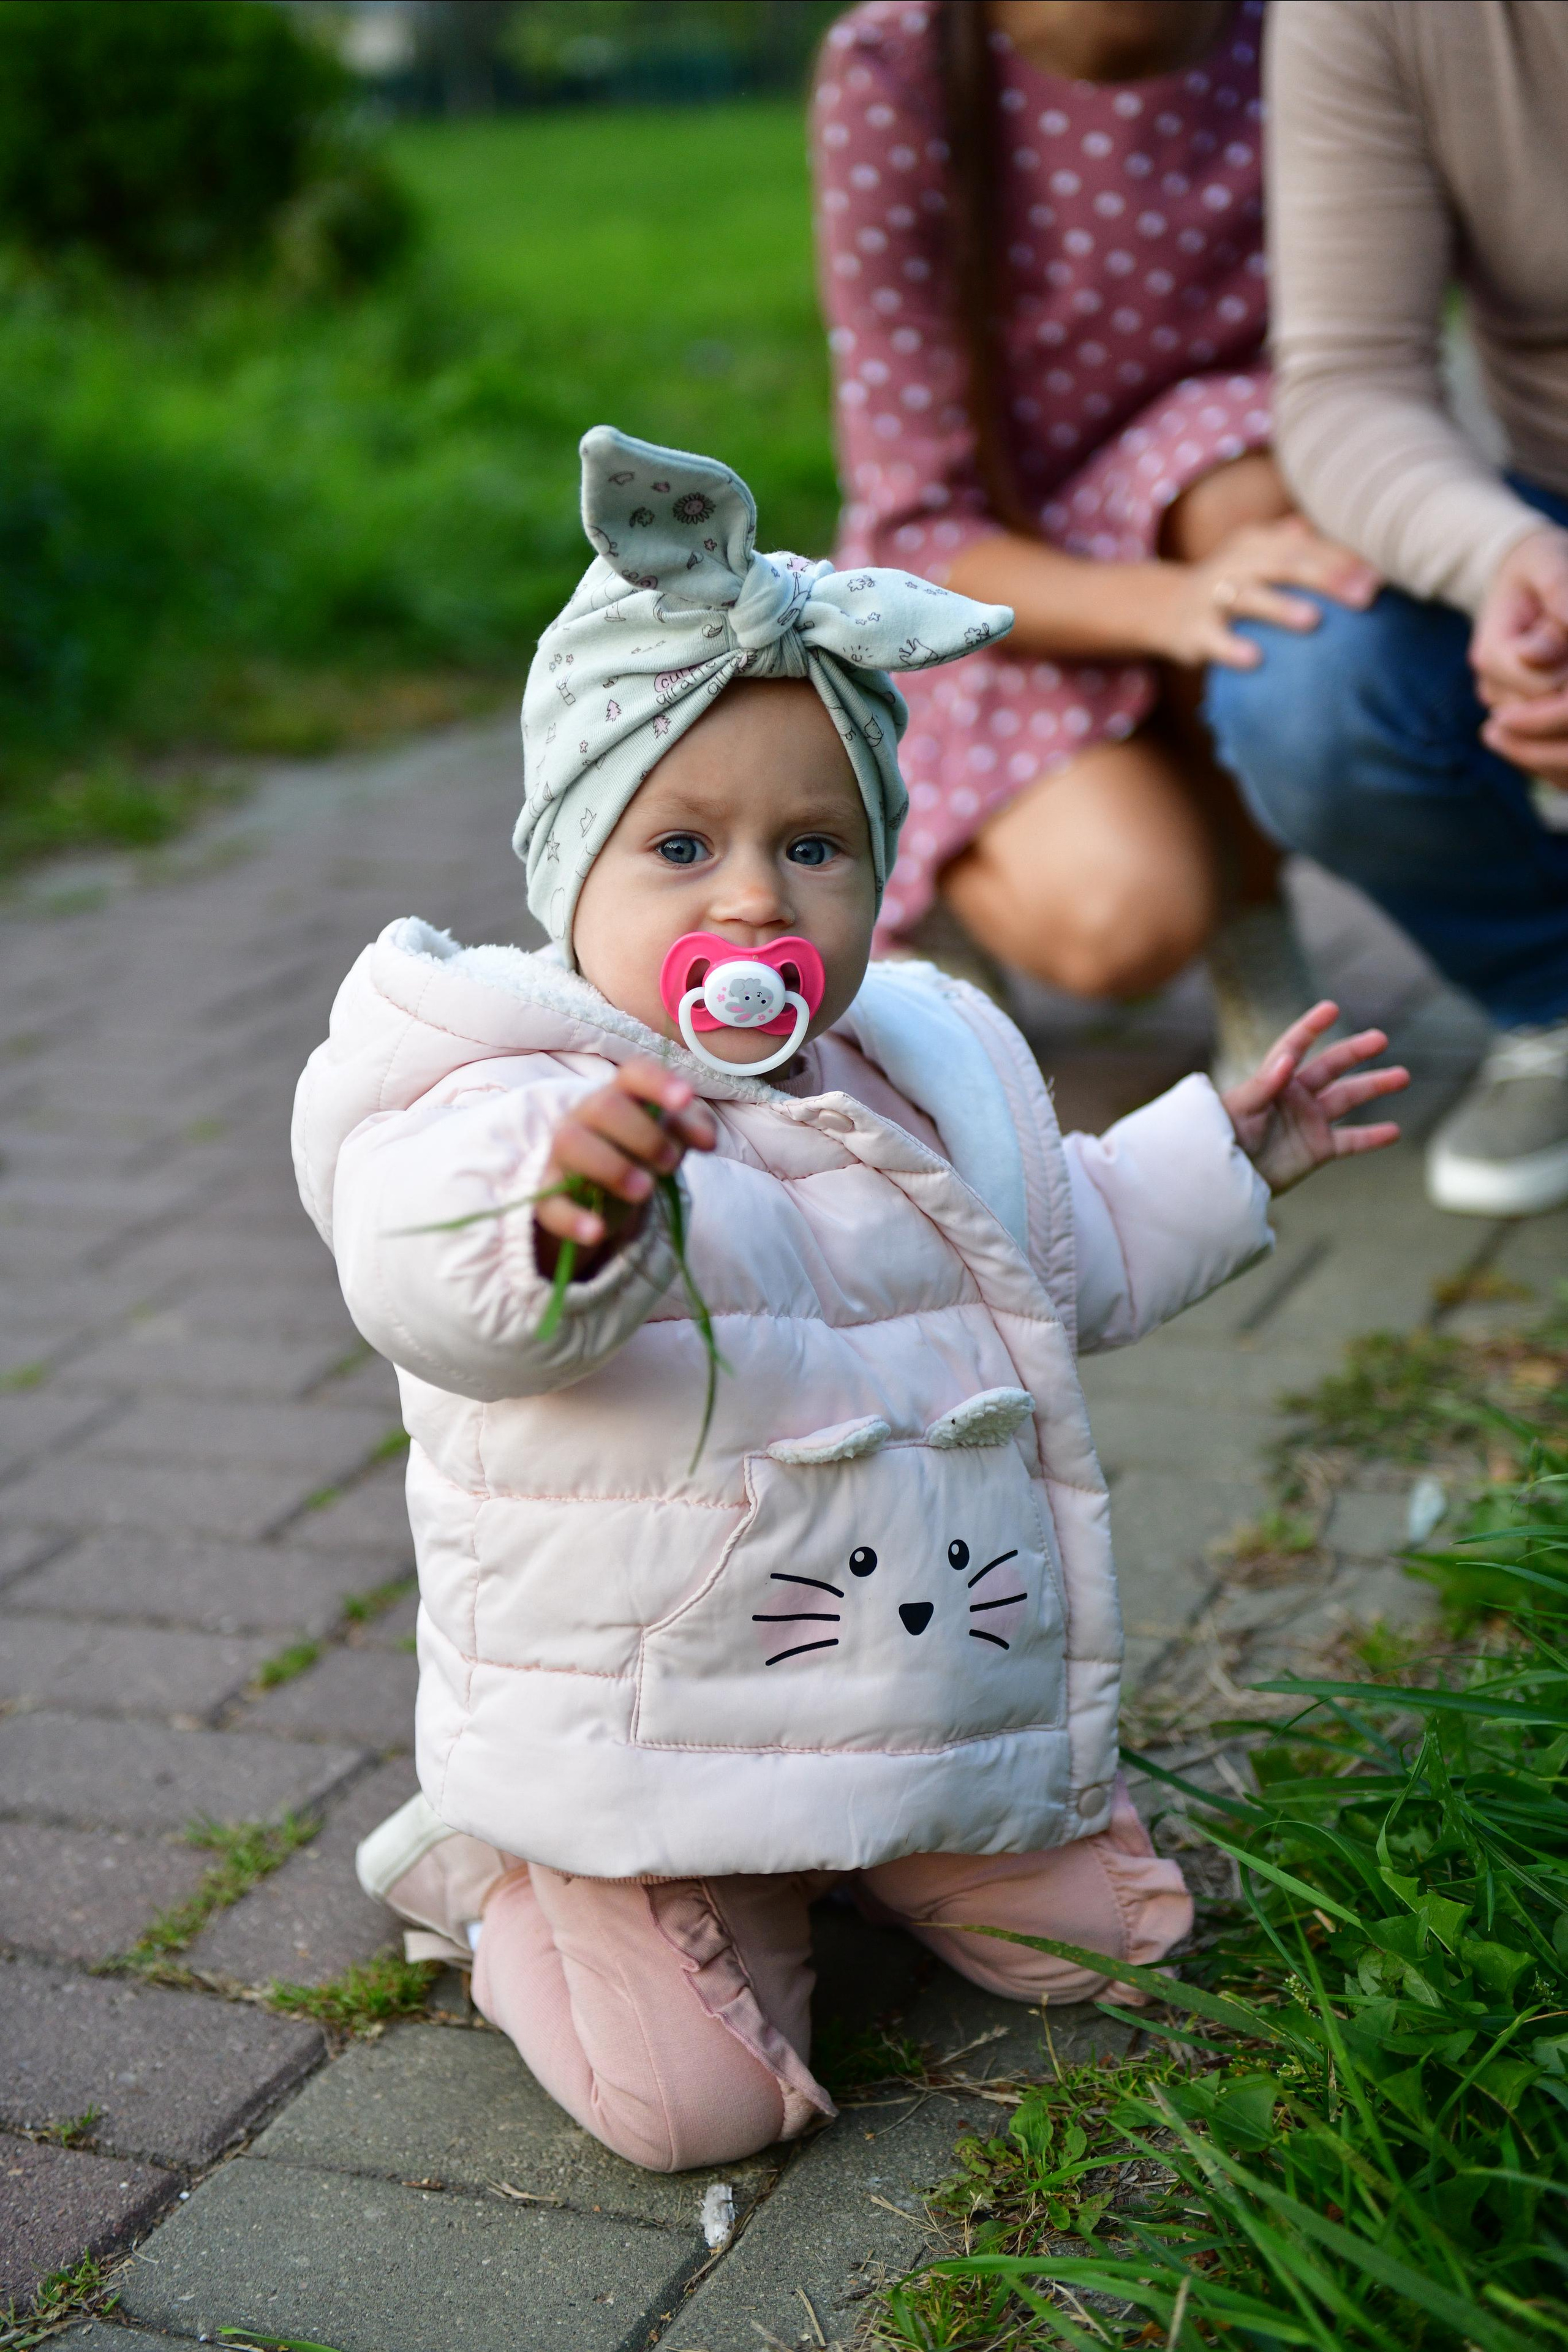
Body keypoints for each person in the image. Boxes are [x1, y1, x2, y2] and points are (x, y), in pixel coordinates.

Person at [295, 428, 1406, 2173]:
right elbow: (438, 1287)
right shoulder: (500, 1097)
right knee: (697, 2115)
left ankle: (910, 1819)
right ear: (569, 870)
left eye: (815, 845)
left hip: (905, 1663)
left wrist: (1227, 1154)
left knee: (1102, 1950)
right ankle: (531, 1887)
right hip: (649, 1724)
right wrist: (572, 1224)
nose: (755, 894)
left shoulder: (911, 1059)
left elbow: (1060, 1244)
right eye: (680, 844)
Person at [812, 0, 1376, 1074]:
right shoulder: (897, 66)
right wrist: (1174, 608)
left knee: (1251, 495)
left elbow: (1374, 374)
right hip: (994, 593)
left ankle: (1255, 912)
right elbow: (916, 523)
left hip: (1227, 512)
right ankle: (924, 878)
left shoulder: (1312, 32)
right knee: (1122, 922)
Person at [1205, 0, 1568, 1216]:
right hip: (1544, 502)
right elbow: (1349, 377)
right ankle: (1551, 999)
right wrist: (1503, 560)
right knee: (1309, 686)